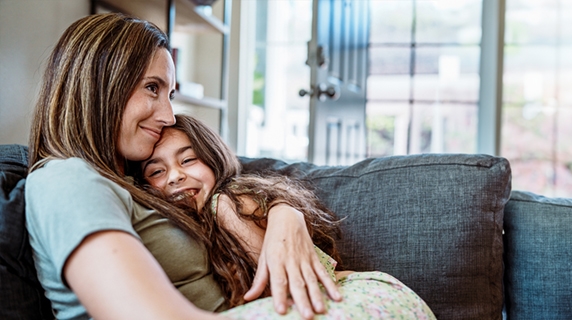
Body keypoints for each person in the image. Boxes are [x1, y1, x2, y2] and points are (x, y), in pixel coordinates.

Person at [25, 13, 340, 320]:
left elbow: (224, 174)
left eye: (170, 94)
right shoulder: (68, 181)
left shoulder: (132, 178)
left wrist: (285, 212)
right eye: (152, 88)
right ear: (99, 85)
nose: (169, 115)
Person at [131, 114, 436, 319]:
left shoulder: (224, 203)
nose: (175, 176)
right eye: (157, 171)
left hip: (365, 301)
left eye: (188, 160)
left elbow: (272, 289)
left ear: (213, 160)